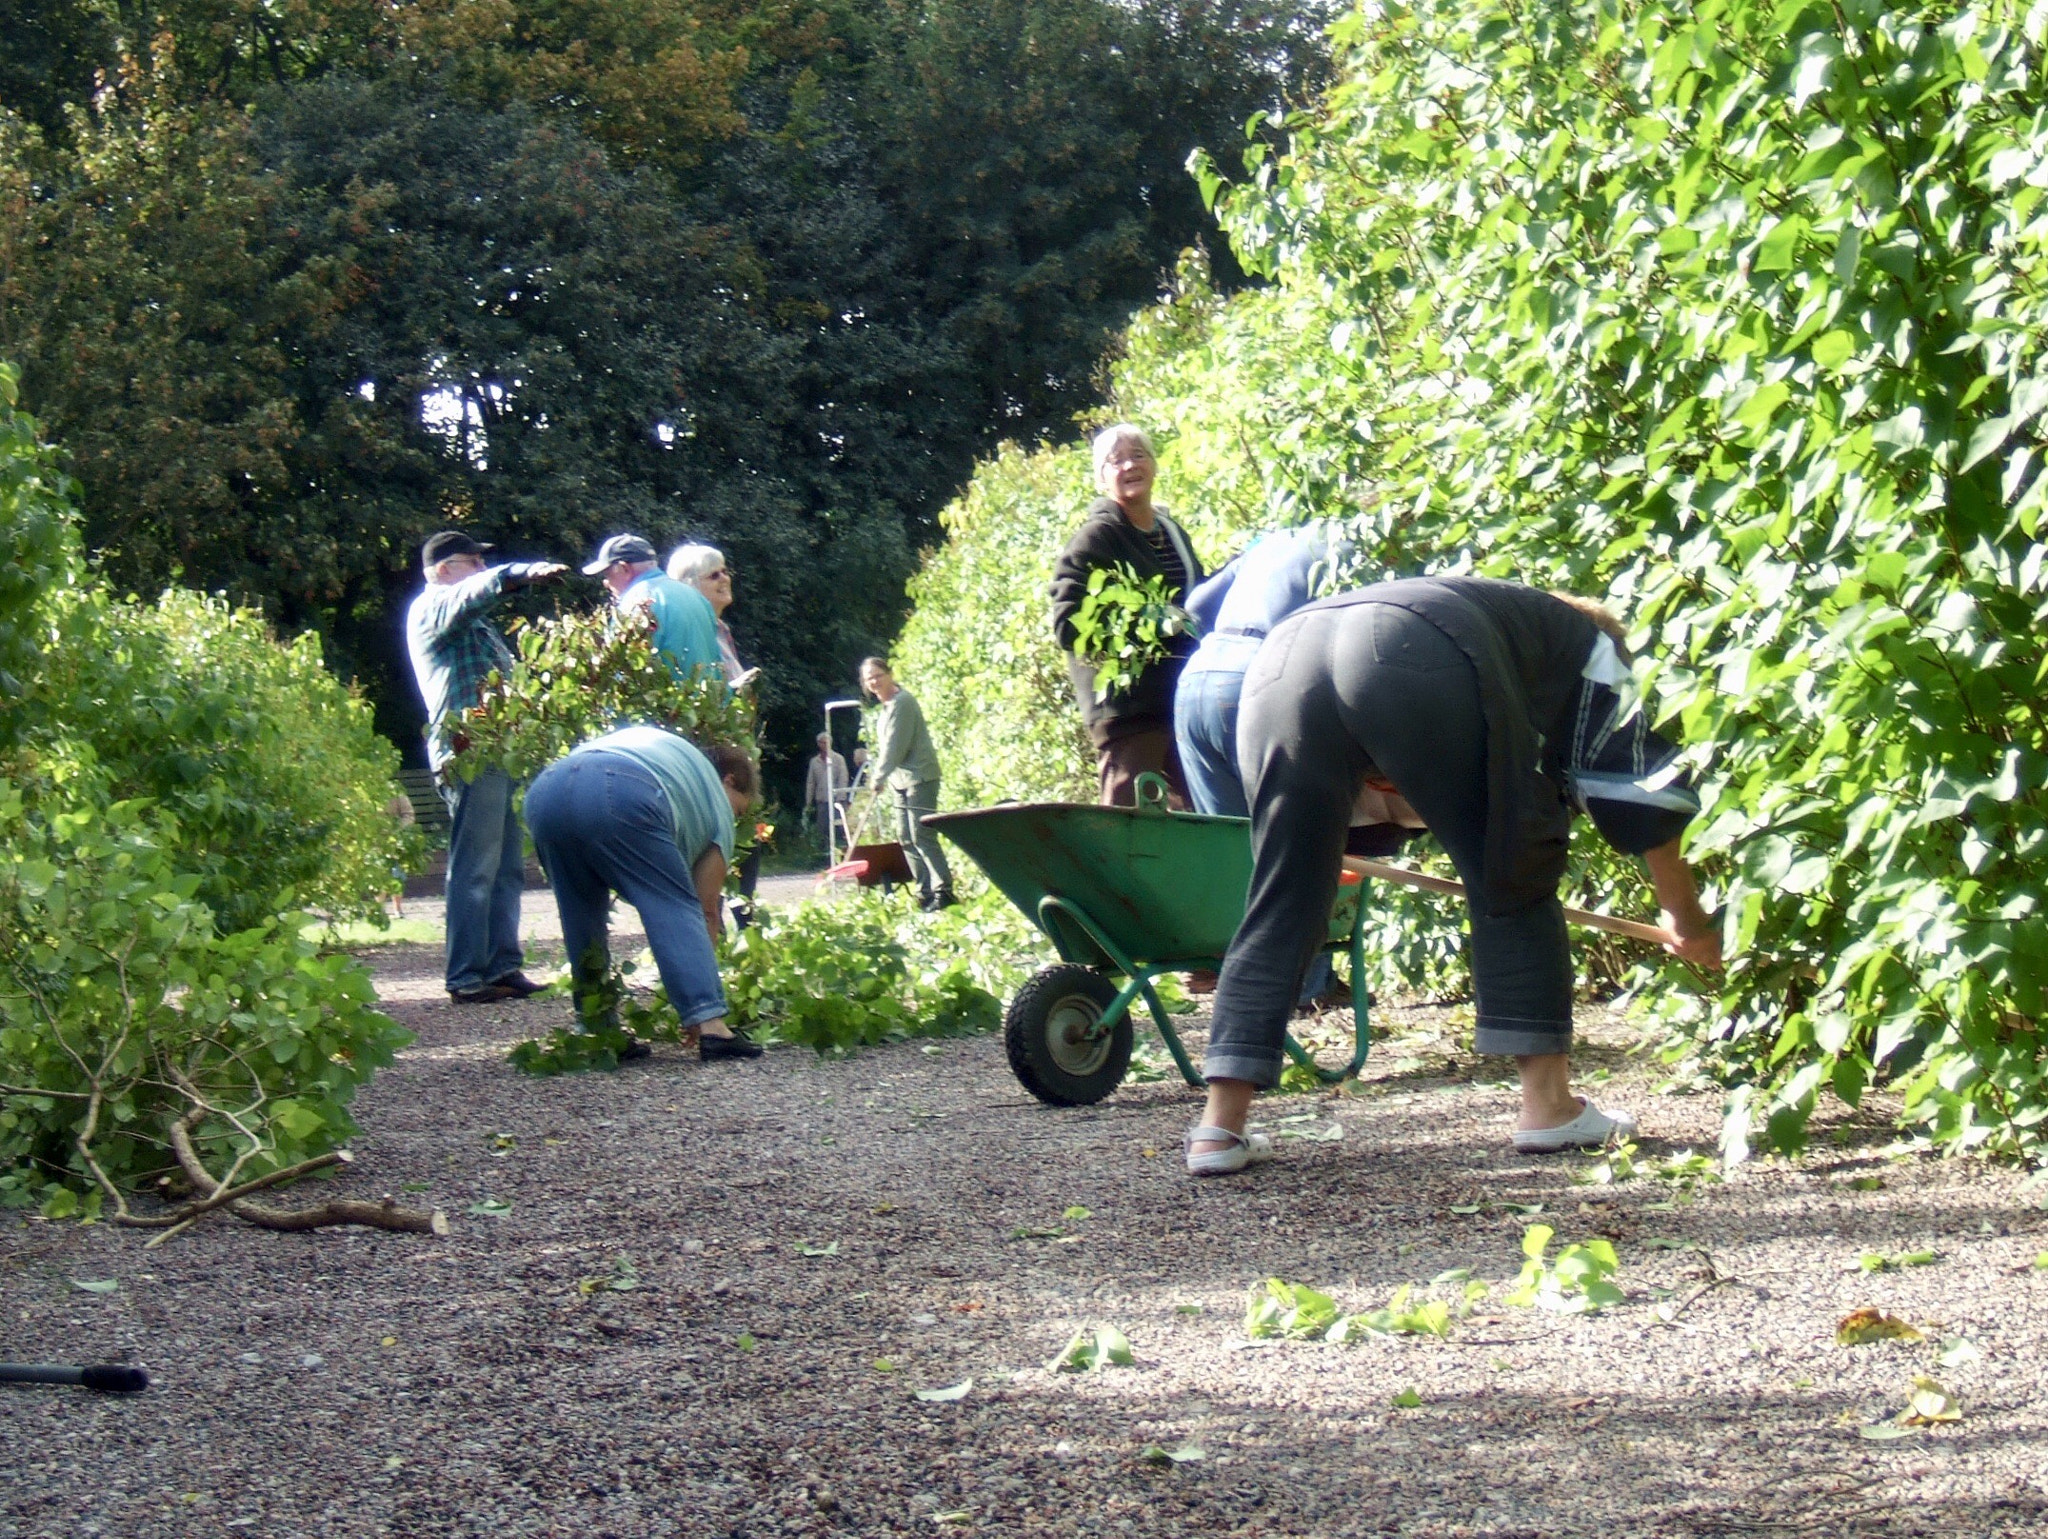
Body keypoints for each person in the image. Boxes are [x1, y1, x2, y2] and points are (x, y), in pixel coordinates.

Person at [1185, 575, 1723, 1177]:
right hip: (1404, 648)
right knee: (1515, 870)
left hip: (1280, 662)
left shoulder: (1504, 618)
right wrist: (1685, 915)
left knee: (1285, 894)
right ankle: (1549, 1108)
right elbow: (1639, 784)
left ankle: (1218, 1128)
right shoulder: (1591, 646)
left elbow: (1398, 789)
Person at [523, 726, 765, 1062]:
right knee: (672, 901)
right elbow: (705, 909)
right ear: (730, 781)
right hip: (621, 789)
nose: (734, 818)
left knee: (580, 914)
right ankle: (710, 1024)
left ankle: (597, 1028)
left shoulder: (674, 761)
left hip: (545, 792)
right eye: (740, 810)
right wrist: (699, 994)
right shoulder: (715, 800)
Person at [404, 530, 568, 1004]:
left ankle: (502, 966)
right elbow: (472, 593)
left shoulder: (473, 625)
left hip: (499, 747)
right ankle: (465, 976)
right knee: (476, 865)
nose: (479, 568)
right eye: (470, 561)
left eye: (483, 561)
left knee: (507, 867)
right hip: (469, 747)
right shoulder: (432, 606)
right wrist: (516, 574)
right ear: (442, 570)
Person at [1049, 424, 1206, 805]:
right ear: (1101, 479)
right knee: (1130, 817)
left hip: (1180, 699)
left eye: (1138, 455)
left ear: (1153, 465)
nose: (1128, 466)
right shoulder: (1096, 537)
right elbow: (1067, 623)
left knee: (1202, 810)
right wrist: (1148, 621)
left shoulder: (1171, 531)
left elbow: (1195, 598)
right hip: (1129, 710)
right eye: (1114, 461)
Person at [859, 656, 955, 910]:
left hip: (920, 776)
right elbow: (885, 749)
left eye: (878, 675)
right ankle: (924, 892)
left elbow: (894, 747)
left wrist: (877, 777)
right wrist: (883, 778)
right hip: (899, 782)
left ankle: (944, 891)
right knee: (905, 837)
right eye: (869, 679)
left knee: (922, 835)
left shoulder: (903, 703)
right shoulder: (885, 708)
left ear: (889, 674)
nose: (874, 682)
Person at [583, 534, 722, 681]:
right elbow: (716, 661)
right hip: (707, 701)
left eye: (608, 575)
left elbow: (620, 673)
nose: (606, 583)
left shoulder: (634, 603)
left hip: (663, 702)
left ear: (625, 569)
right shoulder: (696, 596)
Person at [666, 543, 756, 690]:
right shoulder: (688, 632)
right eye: (714, 575)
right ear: (689, 586)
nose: (724, 579)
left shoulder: (721, 629)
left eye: (725, 572)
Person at [804, 732, 849, 851]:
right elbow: (811, 782)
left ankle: (842, 850)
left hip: (837, 799)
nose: (823, 745)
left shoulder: (838, 759)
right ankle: (823, 853)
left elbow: (843, 778)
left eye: (826, 742)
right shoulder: (814, 761)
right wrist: (809, 801)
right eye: (821, 743)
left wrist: (841, 796)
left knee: (840, 827)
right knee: (822, 829)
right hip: (822, 799)